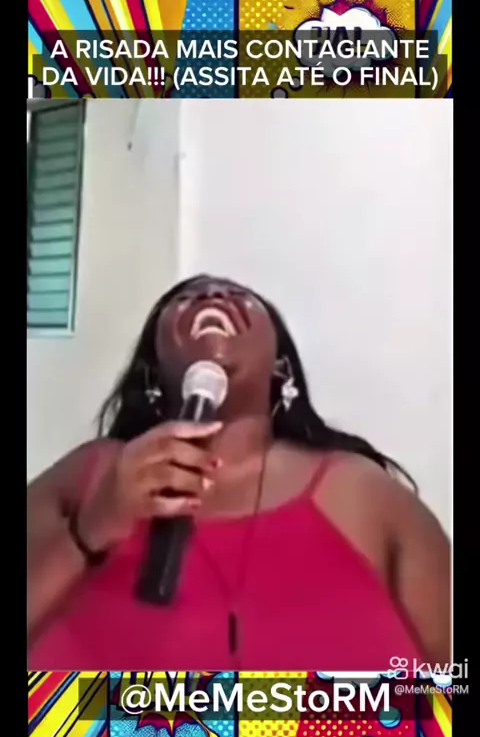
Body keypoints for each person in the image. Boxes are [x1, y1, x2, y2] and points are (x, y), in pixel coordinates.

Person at [28, 275, 450, 671]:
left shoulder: (363, 492)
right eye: (186, 298)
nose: (213, 297)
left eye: (240, 298)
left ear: (281, 368)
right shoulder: (90, 476)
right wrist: (91, 527)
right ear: (152, 369)